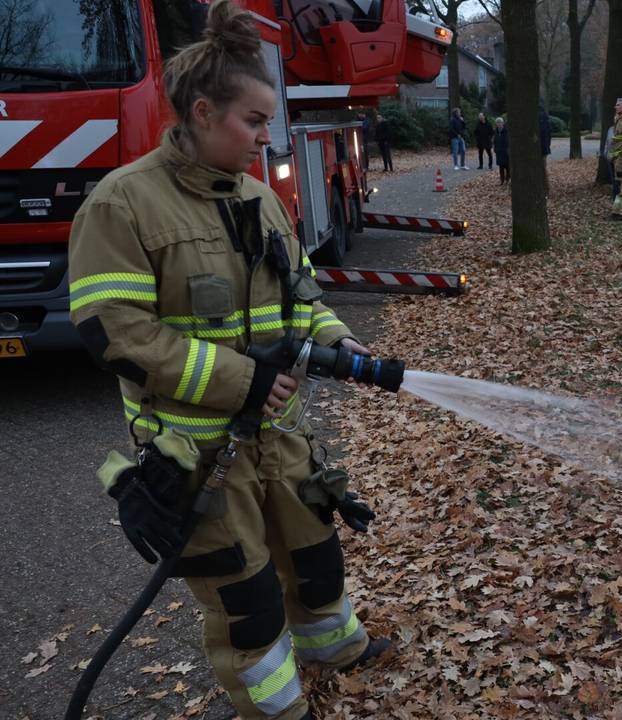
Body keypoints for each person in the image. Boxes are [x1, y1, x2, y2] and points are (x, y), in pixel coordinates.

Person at [66, 3, 389, 718]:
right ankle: (278, 708)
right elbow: (115, 332)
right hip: (199, 454)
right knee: (246, 596)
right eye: (254, 120)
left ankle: (337, 649)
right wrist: (244, 381)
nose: (267, 136)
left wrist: (336, 339)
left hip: (282, 438)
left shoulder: (261, 200)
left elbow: (302, 291)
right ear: (203, 112)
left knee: (316, 556)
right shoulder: (122, 205)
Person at [538, 106, 552, 193]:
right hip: (545, 148)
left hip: (541, 148)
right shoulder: (546, 120)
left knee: (542, 169)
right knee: (543, 168)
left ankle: (545, 189)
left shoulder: (540, 120)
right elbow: (549, 135)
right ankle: (545, 188)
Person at [493, 116, 510, 185]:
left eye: (500, 122)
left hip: (506, 151)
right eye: (497, 123)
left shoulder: (506, 131)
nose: (499, 124)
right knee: (501, 167)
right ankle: (502, 180)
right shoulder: (496, 131)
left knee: (507, 166)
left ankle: (507, 179)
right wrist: (495, 149)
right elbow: (495, 141)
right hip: (499, 151)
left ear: (503, 123)